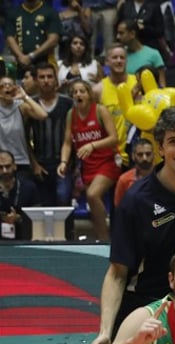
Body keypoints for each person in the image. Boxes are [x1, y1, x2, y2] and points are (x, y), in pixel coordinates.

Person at [90, 106, 175, 344]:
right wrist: (105, 332)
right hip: (147, 307)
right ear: (160, 149)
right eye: (173, 142)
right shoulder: (135, 202)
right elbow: (117, 274)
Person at [58, 78, 119, 241]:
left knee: (92, 195)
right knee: (93, 205)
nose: (78, 94)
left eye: (82, 91)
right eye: (75, 92)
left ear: (89, 94)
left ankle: (107, 240)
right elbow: (67, 143)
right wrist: (63, 162)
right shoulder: (71, 114)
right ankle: (103, 240)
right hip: (88, 166)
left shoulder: (100, 110)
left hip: (108, 162)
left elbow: (114, 138)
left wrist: (92, 145)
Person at [28, 63, 73, 224]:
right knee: (43, 208)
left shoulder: (68, 103)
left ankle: (69, 241)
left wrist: (70, 164)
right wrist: (34, 164)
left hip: (63, 163)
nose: (46, 81)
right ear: (35, 80)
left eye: (49, 77)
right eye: (42, 77)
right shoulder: (30, 104)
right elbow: (24, 138)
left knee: (63, 200)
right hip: (41, 164)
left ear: (56, 80)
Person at [0, 75, 48, 186]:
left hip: (21, 161)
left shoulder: (21, 107)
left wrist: (24, 96)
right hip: (1, 163)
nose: (7, 88)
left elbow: (43, 115)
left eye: (10, 85)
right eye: (3, 86)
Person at [95, 45, 137, 165]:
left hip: (138, 152)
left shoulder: (137, 84)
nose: (119, 61)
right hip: (112, 154)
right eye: (114, 57)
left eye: (122, 57)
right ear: (107, 61)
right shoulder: (98, 90)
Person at [5, 0, 60, 78]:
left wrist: (32, 56)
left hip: (45, 63)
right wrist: (21, 57)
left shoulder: (50, 12)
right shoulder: (14, 13)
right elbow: (9, 38)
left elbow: (53, 40)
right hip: (21, 64)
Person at [0, 149, 39, 241]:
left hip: (23, 238)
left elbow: (37, 217)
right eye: (0, 167)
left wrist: (19, 218)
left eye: (8, 166)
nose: (5, 171)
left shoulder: (29, 188)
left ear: (14, 166)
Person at [117, 19, 165, 87]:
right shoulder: (119, 57)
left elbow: (162, 84)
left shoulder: (153, 54)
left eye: (121, 33)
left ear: (132, 34)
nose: (117, 37)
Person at [113, 136, 153, 206]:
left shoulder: (163, 176)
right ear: (133, 156)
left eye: (148, 154)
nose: (144, 158)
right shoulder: (124, 180)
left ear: (153, 155)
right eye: (140, 155)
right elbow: (119, 206)